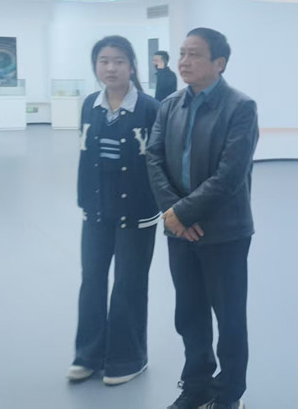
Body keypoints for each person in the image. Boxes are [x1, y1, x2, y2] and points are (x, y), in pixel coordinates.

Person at [147, 28, 258, 409]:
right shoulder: (170, 105)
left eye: (194, 54)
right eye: (182, 53)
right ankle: (196, 386)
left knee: (229, 318)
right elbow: (154, 158)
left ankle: (229, 393)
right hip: (179, 230)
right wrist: (174, 213)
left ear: (219, 63)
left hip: (225, 232)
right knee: (189, 314)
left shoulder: (240, 107)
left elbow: (230, 175)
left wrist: (182, 212)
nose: (184, 61)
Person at [68, 35, 161, 386]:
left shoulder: (150, 108)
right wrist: (85, 201)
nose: (111, 68)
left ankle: (129, 358)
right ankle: (88, 355)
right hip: (95, 210)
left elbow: (159, 162)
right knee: (92, 282)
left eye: (119, 61)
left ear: (132, 66)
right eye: (104, 61)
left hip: (137, 212)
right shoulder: (90, 105)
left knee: (128, 284)